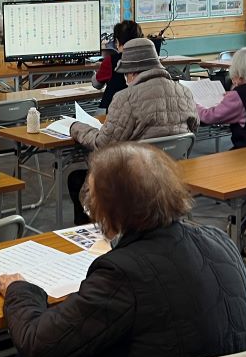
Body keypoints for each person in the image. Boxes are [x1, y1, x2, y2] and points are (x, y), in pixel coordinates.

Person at [0, 143, 246, 357]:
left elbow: (39, 346)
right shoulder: (219, 240)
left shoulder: (121, 274)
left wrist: (20, 291)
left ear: (110, 209)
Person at [68, 37, 197, 224]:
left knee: (75, 179)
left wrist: (76, 128)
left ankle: (94, 235)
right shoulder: (184, 92)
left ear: (132, 72)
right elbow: (194, 128)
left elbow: (103, 144)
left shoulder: (126, 98)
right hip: (171, 177)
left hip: (135, 181)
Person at [92, 20, 143, 110]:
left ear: (117, 41)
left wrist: (97, 73)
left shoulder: (111, 61)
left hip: (113, 110)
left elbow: (96, 84)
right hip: (141, 109)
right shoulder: (148, 60)